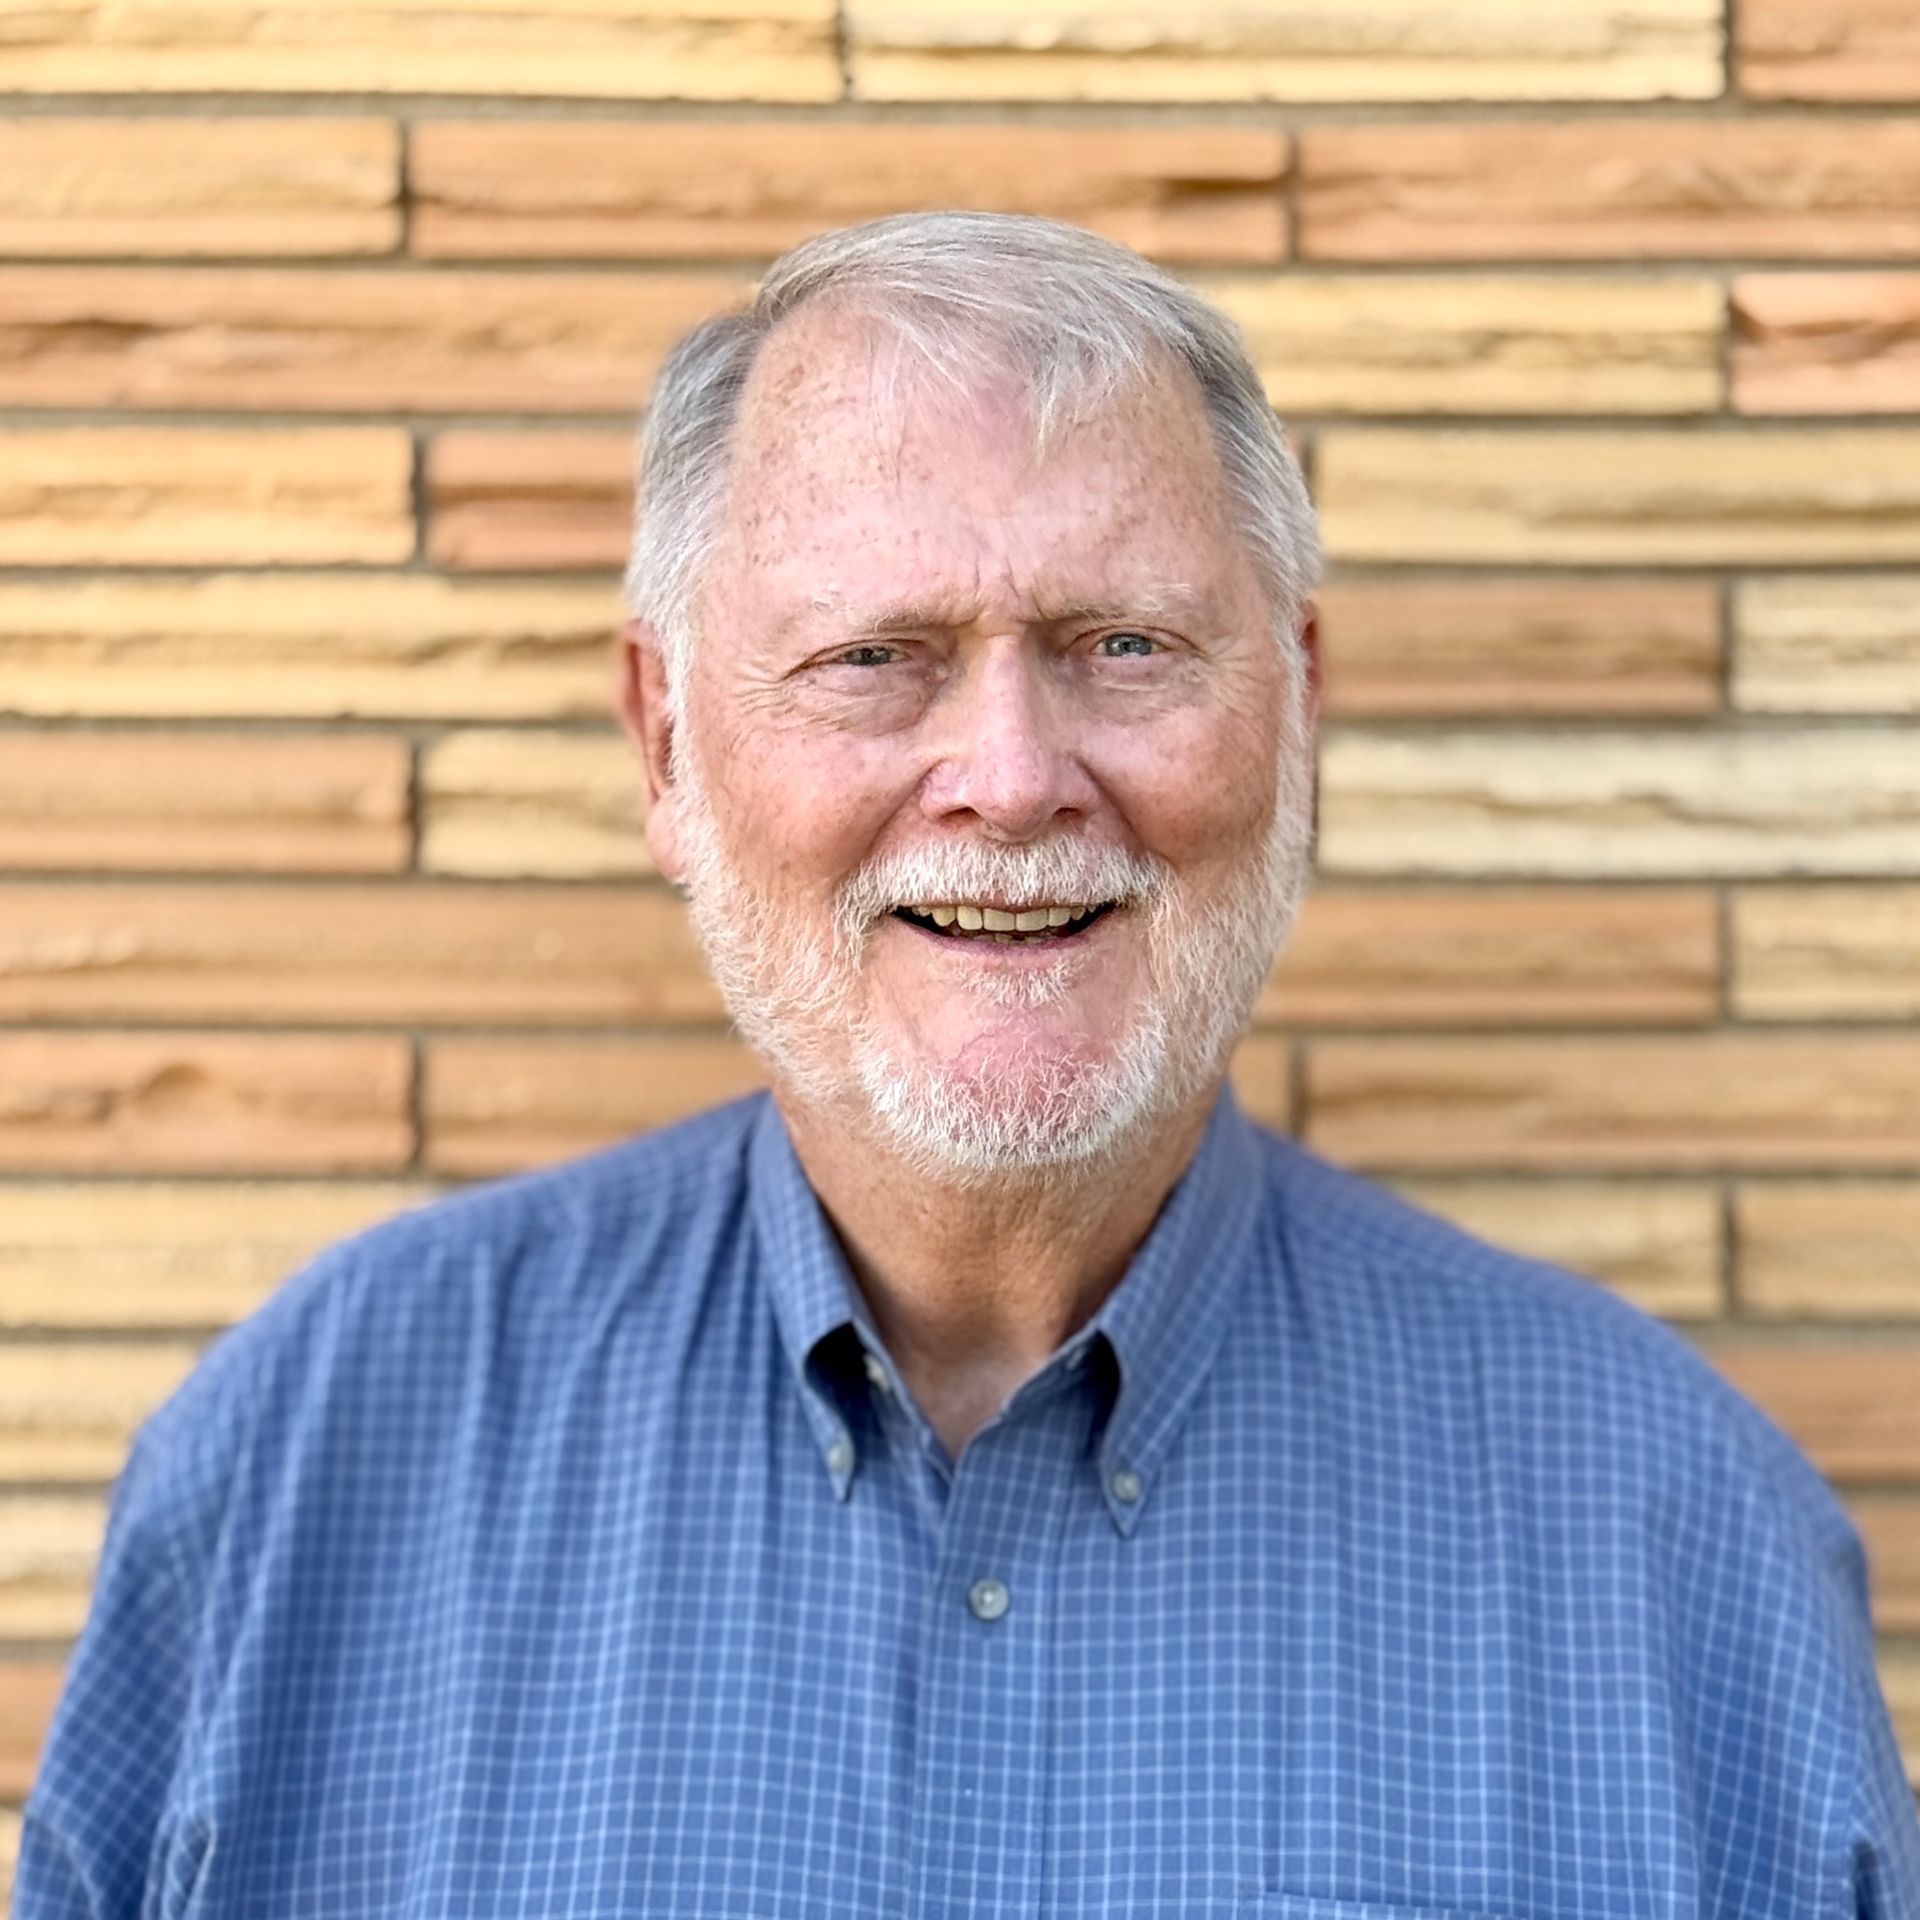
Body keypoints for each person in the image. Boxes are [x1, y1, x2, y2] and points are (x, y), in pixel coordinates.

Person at [18, 212, 1918, 1919]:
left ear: (1303, 710)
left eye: (1124, 641)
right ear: (665, 742)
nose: (1011, 776)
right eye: (875, 657)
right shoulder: (308, 1467)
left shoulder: (1681, 1550)